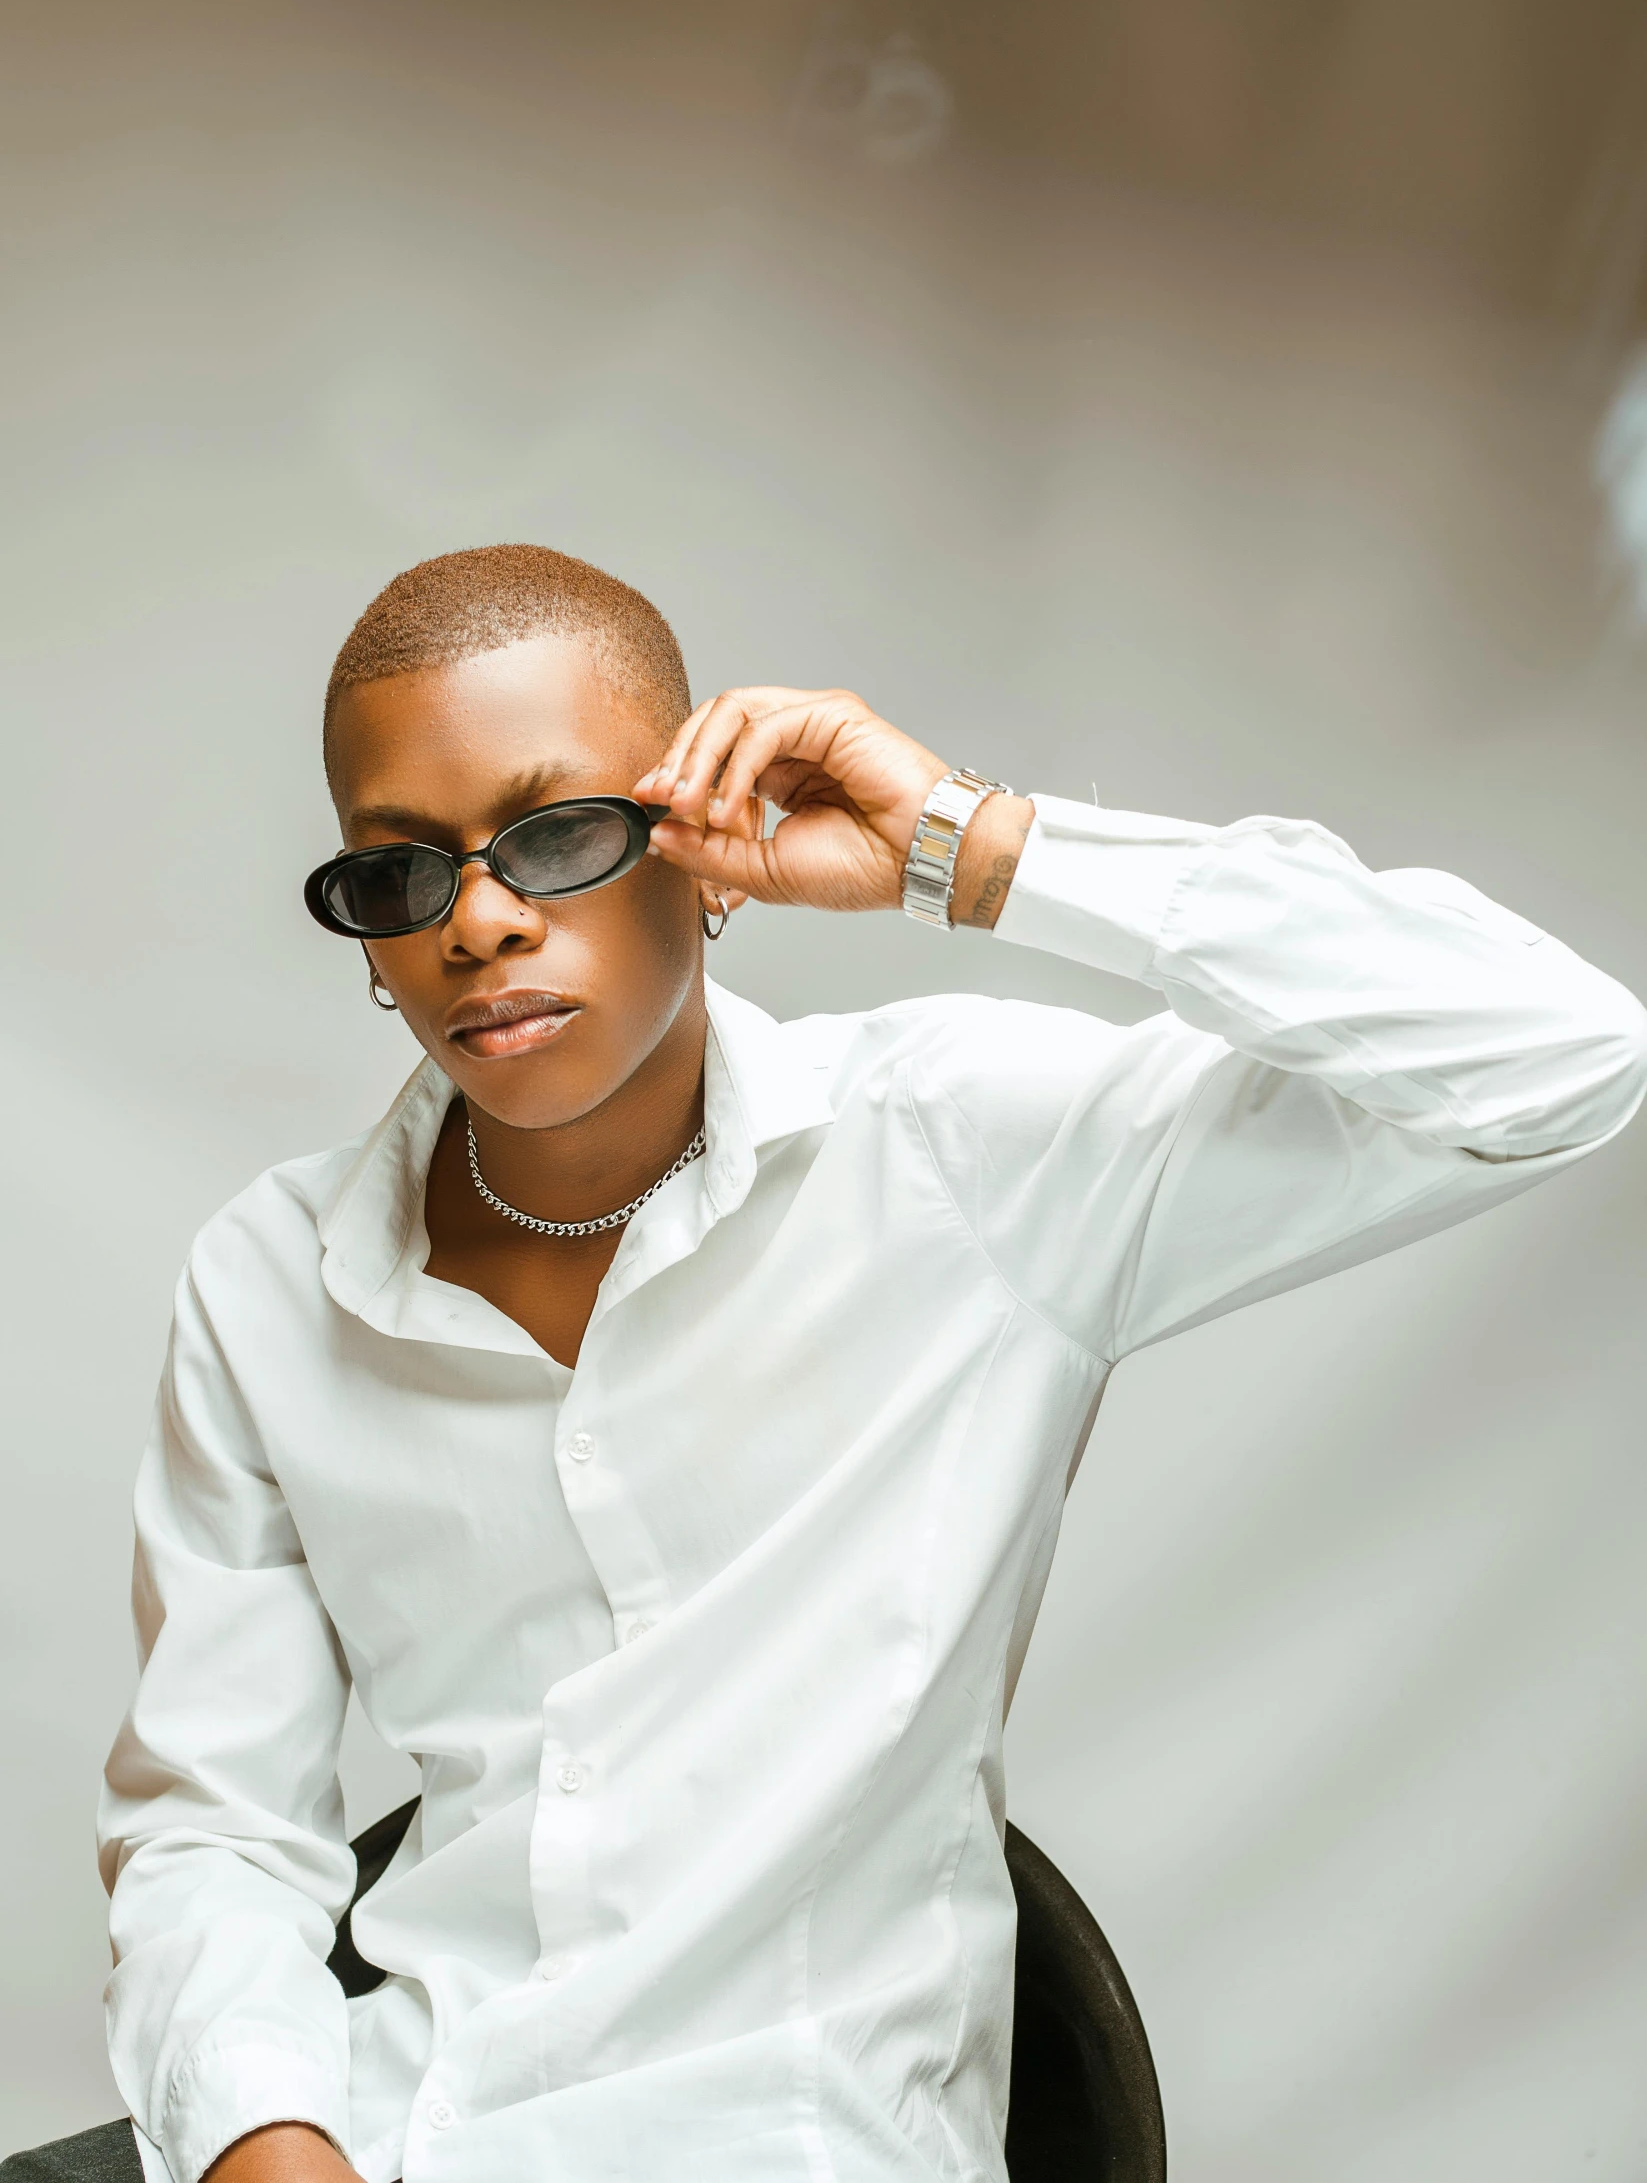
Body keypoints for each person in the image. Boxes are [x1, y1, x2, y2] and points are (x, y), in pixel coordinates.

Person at [9, 544, 1643, 2183]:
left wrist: (975, 846)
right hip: (387, 2120)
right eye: (399, 876)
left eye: (557, 835)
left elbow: (1553, 1061)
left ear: (710, 858)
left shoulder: (958, 1158)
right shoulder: (270, 1279)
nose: (480, 923)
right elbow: (213, 1822)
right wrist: (265, 2150)